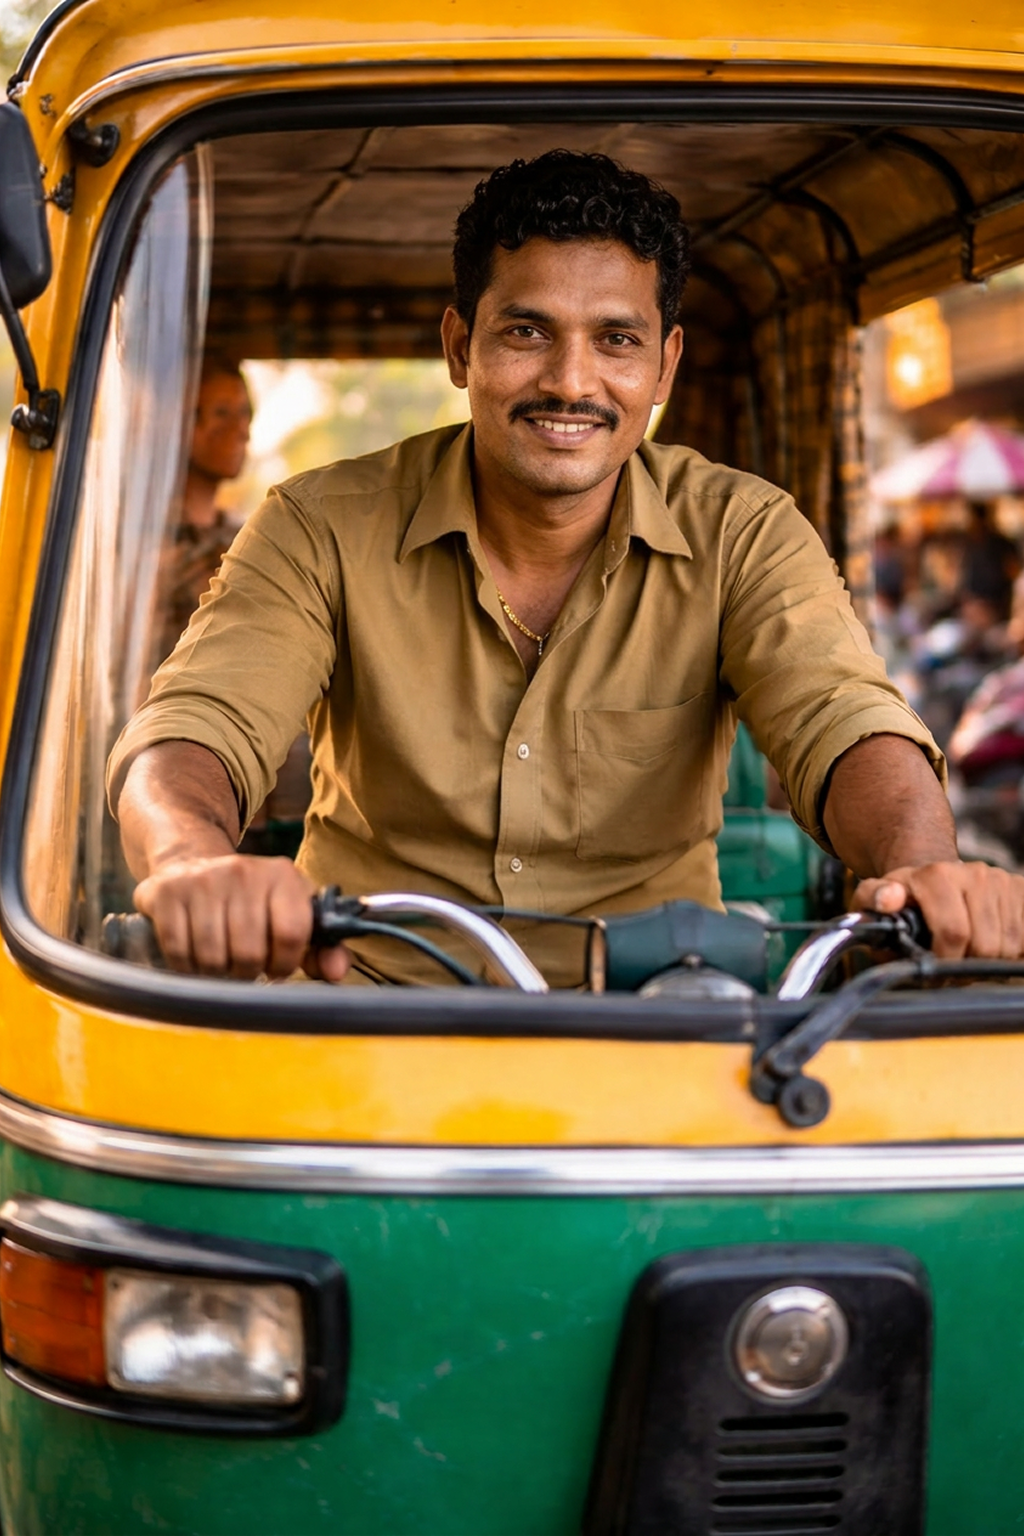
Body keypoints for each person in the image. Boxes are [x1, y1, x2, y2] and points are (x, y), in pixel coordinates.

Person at [108, 151, 1024, 985]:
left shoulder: (744, 530)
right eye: (527, 333)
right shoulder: (317, 525)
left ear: (664, 366)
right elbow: (196, 725)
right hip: (369, 1008)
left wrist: (923, 866)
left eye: (617, 340)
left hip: (657, 1012)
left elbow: (845, 718)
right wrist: (191, 860)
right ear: (462, 346)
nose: (572, 382)